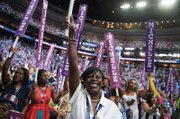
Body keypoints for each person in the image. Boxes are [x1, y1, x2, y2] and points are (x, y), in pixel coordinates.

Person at [64, 16, 122, 119]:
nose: (94, 79)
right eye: (90, 77)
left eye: (98, 77)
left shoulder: (112, 107)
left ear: (102, 81)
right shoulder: (77, 95)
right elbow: (73, 65)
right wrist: (72, 37)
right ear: (83, 80)